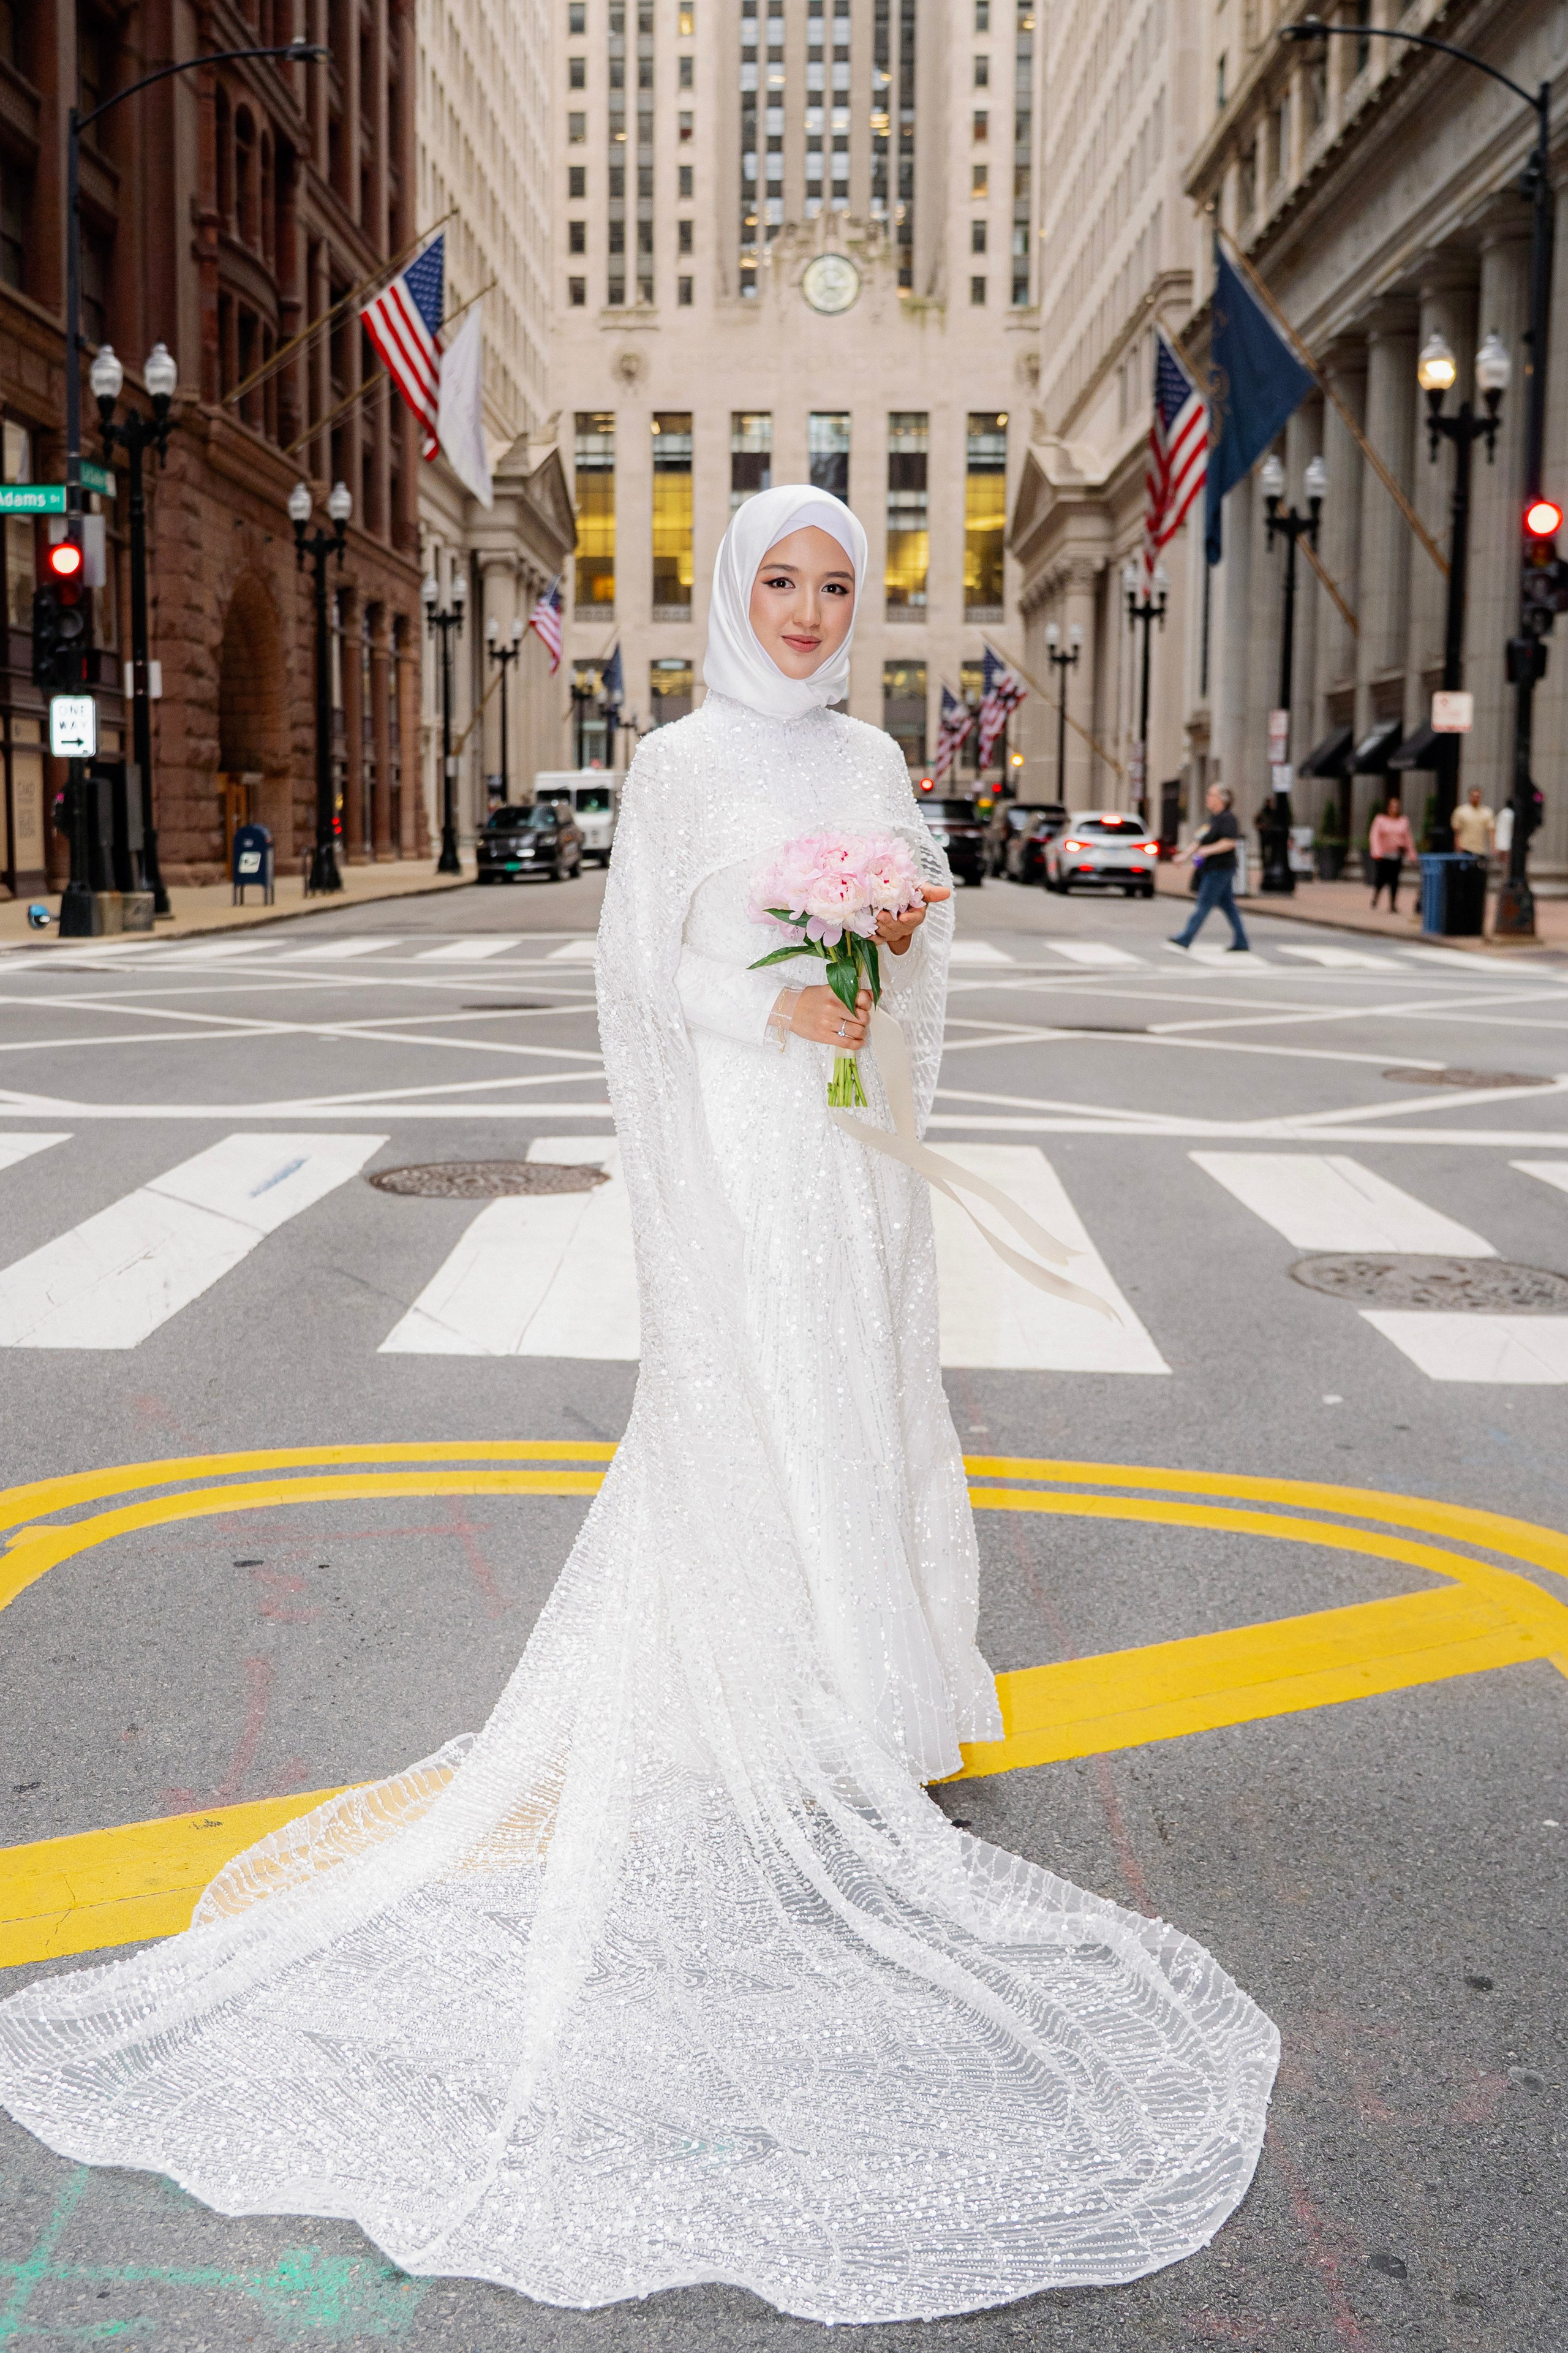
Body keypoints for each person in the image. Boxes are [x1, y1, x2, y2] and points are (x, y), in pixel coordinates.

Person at [0, 488, 1277, 2325]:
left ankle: (864, 1697)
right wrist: (786, 1016)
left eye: (837, 582)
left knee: (855, 1406)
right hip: (747, 1146)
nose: (812, 604)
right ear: (728, 587)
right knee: (747, 1413)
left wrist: (884, 965)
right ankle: (764, 1702)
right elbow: (641, 976)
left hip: (847, 1159)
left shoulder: (874, 757)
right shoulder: (677, 765)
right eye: (783, 576)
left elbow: (920, 961)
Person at [1169, 781, 1250, 951]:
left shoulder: (1228, 819)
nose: (1208, 798)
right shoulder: (1212, 820)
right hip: (1210, 868)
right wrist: (1184, 856)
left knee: (1204, 903)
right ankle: (1242, 940)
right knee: (1228, 906)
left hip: (1221, 868)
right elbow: (1199, 840)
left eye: (1211, 795)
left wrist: (1208, 850)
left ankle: (1186, 937)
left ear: (1222, 799)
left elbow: (1229, 842)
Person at [1368, 794, 1415, 911]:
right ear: (1388, 808)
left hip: (1396, 854)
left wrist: (1411, 853)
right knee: (1381, 879)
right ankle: (1376, 897)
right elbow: (1374, 836)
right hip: (1383, 855)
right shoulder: (1380, 820)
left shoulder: (1403, 821)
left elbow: (1408, 838)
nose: (1395, 809)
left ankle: (1393, 905)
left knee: (1395, 880)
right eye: (1392, 807)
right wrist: (1376, 852)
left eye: (1397, 807)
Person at [1451, 785, 1495, 856]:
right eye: (1474, 796)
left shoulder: (1487, 812)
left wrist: (1493, 847)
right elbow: (1457, 831)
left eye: (1478, 797)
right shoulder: (1461, 811)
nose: (1476, 799)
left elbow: (1491, 830)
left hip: (1480, 849)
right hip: (1465, 847)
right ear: (1470, 797)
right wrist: (1458, 846)